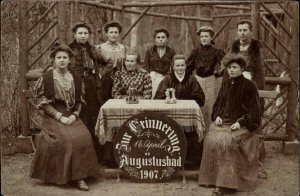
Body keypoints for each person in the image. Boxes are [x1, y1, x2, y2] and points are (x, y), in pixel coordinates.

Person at [30, 44, 99, 191]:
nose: (62, 60)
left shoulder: (75, 78)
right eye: (58, 58)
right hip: (52, 115)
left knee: (84, 136)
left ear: (69, 60)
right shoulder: (47, 77)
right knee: (66, 140)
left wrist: (75, 115)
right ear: (54, 61)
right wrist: (59, 117)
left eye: (65, 58)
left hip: (72, 114)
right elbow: (42, 102)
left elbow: (79, 100)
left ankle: (81, 175)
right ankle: (70, 178)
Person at [199, 53, 261, 195]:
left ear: (242, 68)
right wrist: (218, 116)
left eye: (234, 67)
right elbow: (218, 105)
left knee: (228, 140)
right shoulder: (226, 84)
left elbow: (255, 112)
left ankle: (226, 185)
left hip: (244, 125)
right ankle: (211, 179)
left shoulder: (250, 86)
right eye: (229, 68)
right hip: (225, 122)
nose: (231, 70)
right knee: (210, 138)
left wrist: (240, 122)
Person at [154, 54, 205, 167]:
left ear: (186, 66)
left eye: (182, 65)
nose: (180, 68)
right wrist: (168, 98)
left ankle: (190, 161)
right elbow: (158, 98)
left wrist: (184, 101)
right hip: (170, 115)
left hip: (187, 117)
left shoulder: (191, 79)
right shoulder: (167, 79)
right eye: (178, 65)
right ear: (173, 66)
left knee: (191, 134)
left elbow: (200, 98)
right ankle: (168, 159)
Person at [68, 21, 104, 162]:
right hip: (76, 84)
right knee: (79, 114)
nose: (83, 36)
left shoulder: (93, 50)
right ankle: (79, 154)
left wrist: (100, 74)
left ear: (89, 35)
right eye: (80, 33)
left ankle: (94, 155)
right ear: (74, 34)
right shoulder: (69, 49)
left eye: (85, 33)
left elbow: (108, 63)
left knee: (92, 116)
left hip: (91, 85)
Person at [186, 26, 225, 128]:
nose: (204, 38)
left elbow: (225, 64)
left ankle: (210, 133)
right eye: (202, 36)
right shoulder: (195, 52)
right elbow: (188, 68)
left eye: (206, 36)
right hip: (197, 81)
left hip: (211, 81)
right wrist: (190, 80)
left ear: (211, 38)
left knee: (210, 107)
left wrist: (218, 73)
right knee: (198, 106)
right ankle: (198, 132)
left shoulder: (216, 51)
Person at [96, 20, 127, 104]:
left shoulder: (123, 48)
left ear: (119, 34)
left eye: (116, 32)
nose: (113, 34)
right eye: (111, 32)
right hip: (105, 80)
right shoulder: (99, 48)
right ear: (106, 34)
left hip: (121, 80)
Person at [143, 27, 176, 98]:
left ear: (167, 39)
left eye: (163, 37)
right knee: (151, 96)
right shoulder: (150, 51)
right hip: (152, 77)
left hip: (165, 77)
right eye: (158, 37)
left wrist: (168, 77)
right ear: (155, 39)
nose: (160, 39)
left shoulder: (171, 51)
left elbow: (173, 67)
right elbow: (145, 67)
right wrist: (147, 79)